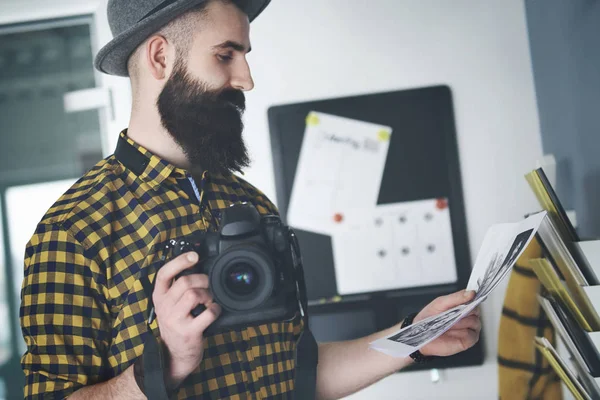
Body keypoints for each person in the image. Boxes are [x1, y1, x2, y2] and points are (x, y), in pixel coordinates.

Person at [19, 0, 482, 398]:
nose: (245, 79)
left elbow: (298, 375)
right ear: (160, 57)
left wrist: (414, 337)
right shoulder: (73, 232)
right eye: (225, 55)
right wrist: (168, 361)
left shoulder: (252, 205)